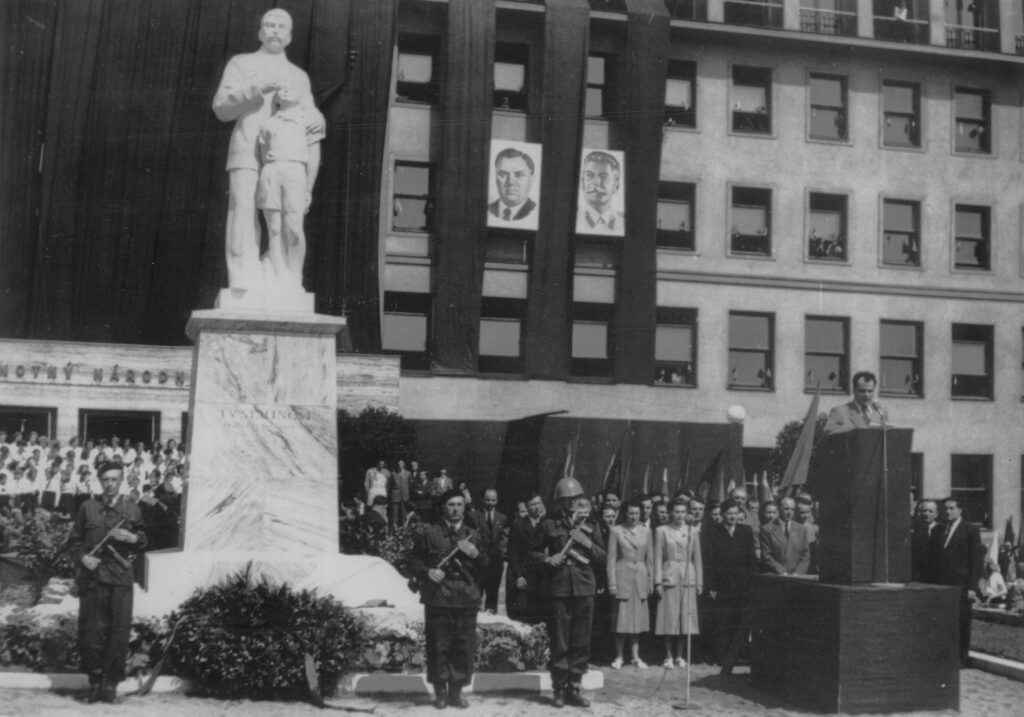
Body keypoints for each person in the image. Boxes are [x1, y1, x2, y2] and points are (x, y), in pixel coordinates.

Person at [212, 8, 324, 290]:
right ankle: (243, 276)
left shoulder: (298, 76)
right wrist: (256, 87)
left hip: (286, 154)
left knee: (286, 216)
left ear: (289, 36)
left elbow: (310, 118)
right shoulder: (241, 63)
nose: (275, 30)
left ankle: (284, 273)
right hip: (248, 147)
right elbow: (221, 108)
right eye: (269, 25)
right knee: (243, 208)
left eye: (281, 26)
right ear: (261, 32)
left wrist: (317, 118)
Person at [68, 462, 147, 703]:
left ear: (121, 481)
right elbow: (73, 542)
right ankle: (94, 682)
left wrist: (133, 536)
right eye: (106, 479)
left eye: (114, 479)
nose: (110, 484)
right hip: (93, 580)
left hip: (121, 578)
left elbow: (144, 539)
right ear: (99, 481)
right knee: (92, 632)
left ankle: (110, 684)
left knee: (118, 631)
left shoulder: (132, 510)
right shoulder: (88, 508)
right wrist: (83, 558)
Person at [409, 489, 487, 709]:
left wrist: (476, 554)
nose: (455, 509)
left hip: (466, 597)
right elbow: (413, 561)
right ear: (443, 508)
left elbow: (488, 565)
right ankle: (440, 693)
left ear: (465, 507)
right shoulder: (430, 533)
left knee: (463, 646)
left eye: (459, 505)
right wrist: (428, 572)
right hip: (439, 597)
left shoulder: (474, 535)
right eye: (451, 505)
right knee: (439, 646)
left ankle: (456, 692)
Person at [534, 477, 606, 708]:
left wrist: (586, 542)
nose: (572, 504)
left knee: (581, 641)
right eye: (567, 500)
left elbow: (602, 557)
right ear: (559, 503)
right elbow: (533, 554)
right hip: (560, 587)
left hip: (584, 586)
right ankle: (558, 688)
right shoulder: (548, 525)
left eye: (575, 499)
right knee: (561, 641)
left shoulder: (590, 525)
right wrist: (548, 558)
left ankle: (574, 687)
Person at [255, 84, 324, 289]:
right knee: (274, 229)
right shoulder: (267, 123)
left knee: (293, 227)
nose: (286, 90)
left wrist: (308, 189)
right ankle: (279, 274)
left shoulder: (308, 121)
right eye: (282, 88)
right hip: (272, 170)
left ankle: (295, 277)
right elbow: (262, 152)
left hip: (295, 171)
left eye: (290, 87)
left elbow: (314, 156)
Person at [703, 498, 756, 673]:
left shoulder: (745, 531)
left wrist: (751, 582)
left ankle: (735, 657)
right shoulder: (713, 532)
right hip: (721, 585)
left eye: (735, 513)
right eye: (729, 513)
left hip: (741, 586)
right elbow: (708, 563)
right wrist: (710, 587)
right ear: (723, 514)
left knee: (738, 621)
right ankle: (721, 657)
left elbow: (751, 559)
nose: (732, 516)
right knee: (722, 622)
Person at [936, 497, 984, 666]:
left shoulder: (970, 530)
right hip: (943, 585)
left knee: (962, 621)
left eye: (951, 508)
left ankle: (961, 658)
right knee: (945, 621)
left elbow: (976, 561)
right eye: (946, 508)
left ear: (960, 510)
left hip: (962, 586)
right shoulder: (940, 529)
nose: (948, 511)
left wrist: (972, 587)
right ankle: (946, 656)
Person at [654, 500, 702, 668]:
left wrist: (699, 583)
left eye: (683, 512)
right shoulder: (661, 531)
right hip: (670, 576)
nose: (680, 515)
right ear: (670, 513)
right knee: (669, 617)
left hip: (688, 576)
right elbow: (658, 557)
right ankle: (668, 655)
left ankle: (680, 655)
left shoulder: (693, 531)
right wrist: (658, 581)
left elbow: (697, 558)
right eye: (676, 512)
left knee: (684, 618)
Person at [606, 501, 651, 670]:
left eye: (637, 513)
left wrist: (651, 580)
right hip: (622, 578)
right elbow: (610, 559)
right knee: (621, 621)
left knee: (637, 622)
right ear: (625, 514)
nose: (634, 517)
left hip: (640, 579)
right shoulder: (616, 531)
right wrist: (611, 582)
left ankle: (635, 657)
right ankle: (619, 657)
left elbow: (650, 559)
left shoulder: (646, 531)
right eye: (631, 513)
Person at [507, 493, 546, 622]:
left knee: (540, 611)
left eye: (538, 503)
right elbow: (512, 553)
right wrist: (518, 575)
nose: (536, 507)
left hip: (541, 575)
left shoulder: (546, 524)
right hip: (524, 575)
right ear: (527, 507)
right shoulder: (518, 525)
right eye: (533, 504)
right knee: (523, 612)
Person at [823, 371, 889, 434]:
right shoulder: (839, 411)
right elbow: (828, 430)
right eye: (862, 391)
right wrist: (853, 431)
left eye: (870, 391)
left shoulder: (880, 413)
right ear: (854, 390)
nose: (866, 395)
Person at [577, 150, 625, 235]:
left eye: (604, 177)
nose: (596, 183)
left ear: (616, 186)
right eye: (589, 175)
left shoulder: (624, 223)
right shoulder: (573, 221)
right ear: (582, 183)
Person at [759, 498, 810, 576]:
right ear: (779, 509)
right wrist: (782, 572)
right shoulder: (767, 529)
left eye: (792, 509)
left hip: (797, 577)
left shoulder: (801, 529)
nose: (789, 512)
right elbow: (766, 556)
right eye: (786, 509)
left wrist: (798, 573)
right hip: (776, 575)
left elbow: (805, 554)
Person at [476, 488, 508, 614]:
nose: (490, 503)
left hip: (495, 562)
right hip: (479, 561)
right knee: (477, 591)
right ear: (483, 500)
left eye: (493, 500)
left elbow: (504, 538)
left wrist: (501, 552)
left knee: (493, 592)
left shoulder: (502, 517)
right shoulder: (474, 516)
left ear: (497, 500)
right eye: (488, 500)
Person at [487, 148, 537, 225]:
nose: (510, 182)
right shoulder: (488, 210)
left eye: (519, 175)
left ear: (531, 179)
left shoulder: (535, 213)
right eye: (503, 174)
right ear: (495, 178)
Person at [911, 499, 941, 583]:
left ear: (936, 514)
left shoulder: (942, 530)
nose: (927, 514)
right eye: (924, 511)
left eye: (930, 511)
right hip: (919, 575)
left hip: (937, 574)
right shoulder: (916, 531)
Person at [389, 460, 412, 528]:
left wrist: (406, 490)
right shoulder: (393, 473)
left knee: (404, 511)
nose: (399, 465)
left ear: (404, 465)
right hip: (395, 494)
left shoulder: (408, 473)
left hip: (404, 495)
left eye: (401, 464)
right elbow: (390, 484)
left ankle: (404, 526)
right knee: (394, 511)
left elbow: (410, 484)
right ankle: (394, 526)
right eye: (398, 464)